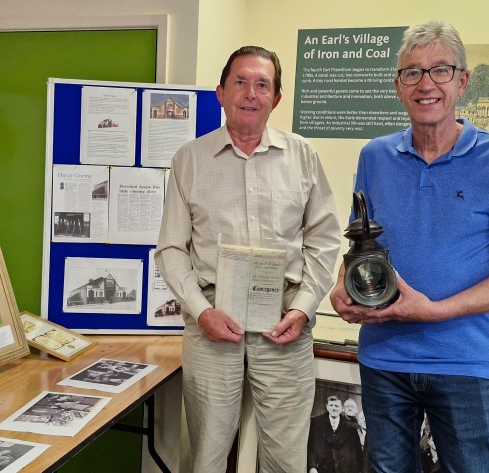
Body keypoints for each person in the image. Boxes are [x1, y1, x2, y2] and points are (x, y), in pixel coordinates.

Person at [330, 19, 489, 473]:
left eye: (440, 70)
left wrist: (434, 310)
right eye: (412, 72)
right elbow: (360, 249)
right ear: (398, 86)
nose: (425, 84)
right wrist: (341, 290)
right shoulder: (375, 156)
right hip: (384, 358)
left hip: (464, 363)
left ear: (462, 80)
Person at [155, 45, 341, 472]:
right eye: (240, 82)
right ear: (221, 92)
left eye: (263, 85)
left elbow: (325, 239)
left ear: (276, 99)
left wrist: (303, 307)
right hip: (211, 327)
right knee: (206, 456)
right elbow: (170, 250)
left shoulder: (303, 157)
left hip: (284, 327)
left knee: (286, 460)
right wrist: (201, 311)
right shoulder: (190, 160)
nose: (251, 93)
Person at [307, 395, 363, 473]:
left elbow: (358, 452)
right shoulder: (317, 423)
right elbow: (310, 447)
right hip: (322, 469)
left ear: (342, 409)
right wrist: (312, 467)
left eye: (336, 406)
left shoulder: (350, 426)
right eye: (331, 405)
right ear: (327, 407)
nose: (333, 408)